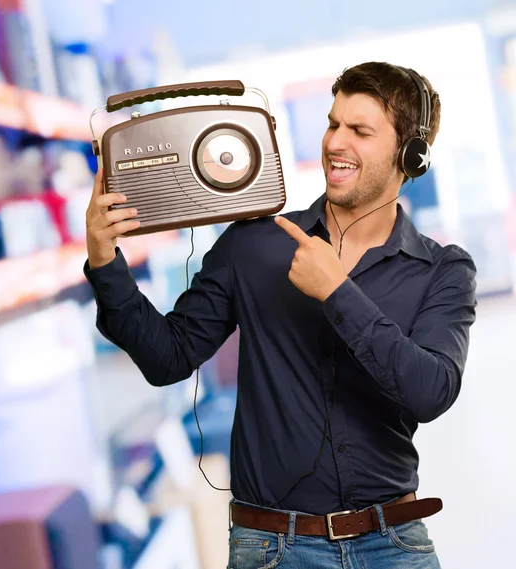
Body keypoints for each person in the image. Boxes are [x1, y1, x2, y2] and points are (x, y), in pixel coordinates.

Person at [84, 62, 477, 569]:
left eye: (360, 131)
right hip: (273, 549)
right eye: (333, 124)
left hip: (393, 544)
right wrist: (103, 260)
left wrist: (337, 291)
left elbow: (431, 391)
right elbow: (167, 358)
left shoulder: (443, 270)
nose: (336, 143)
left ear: (410, 155)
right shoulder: (253, 244)